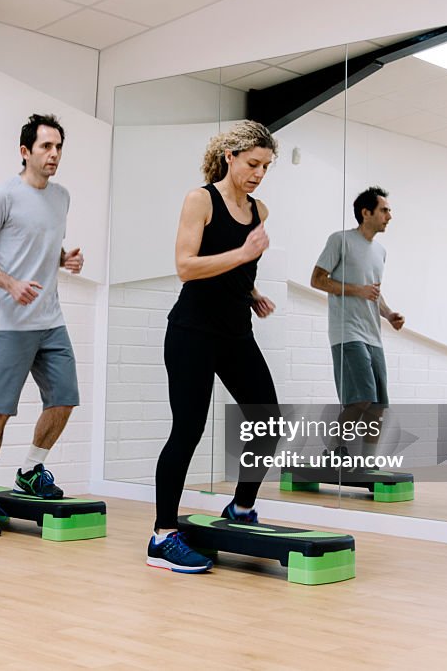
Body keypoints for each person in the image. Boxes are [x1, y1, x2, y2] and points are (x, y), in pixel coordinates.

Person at [147, 120, 281, 574]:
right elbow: (186, 266)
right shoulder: (200, 199)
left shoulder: (259, 210)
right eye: (252, 163)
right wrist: (243, 256)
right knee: (188, 430)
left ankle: (241, 508)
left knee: (267, 418)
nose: (259, 173)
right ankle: (163, 535)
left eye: (266, 165)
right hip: (191, 331)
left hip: (235, 331)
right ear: (230, 157)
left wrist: (251, 292)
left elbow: (234, 272)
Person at [0, 113, 83, 537]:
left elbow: (43, 241)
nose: (54, 155)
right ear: (25, 151)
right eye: (46, 147)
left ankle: (31, 469)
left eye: (59, 147)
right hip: (10, 323)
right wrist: (9, 283)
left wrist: (64, 259)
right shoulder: (3, 196)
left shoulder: (62, 197)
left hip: (51, 319)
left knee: (64, 398)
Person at [310, 186, 404, 465]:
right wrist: (356, 290)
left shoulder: (381, 251)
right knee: (360, 399)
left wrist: (388, 314)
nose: (389, 215)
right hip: (347, 333)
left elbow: (374, 291)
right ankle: (333, 451)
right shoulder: (340, 240)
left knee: (377, 405)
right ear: (366, 213)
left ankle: (368, 462)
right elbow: (317, 279)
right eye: (384, 210)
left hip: (373, 335)